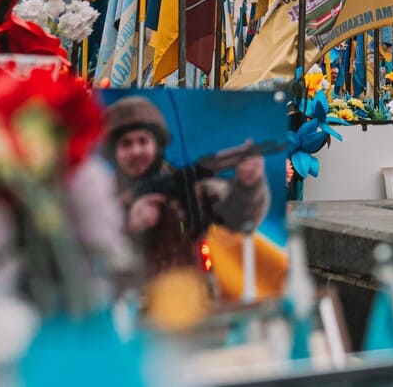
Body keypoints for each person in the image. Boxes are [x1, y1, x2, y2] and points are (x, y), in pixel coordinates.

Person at [103, 95, 269, 279]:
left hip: (196, 297)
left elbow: (240, 215)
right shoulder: (101, 201)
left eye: (143, 141)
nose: (136, 151)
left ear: (157, 145)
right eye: (126, 143)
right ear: (113, 151)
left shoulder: (190, 187)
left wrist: (248, 186)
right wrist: (130, 230)